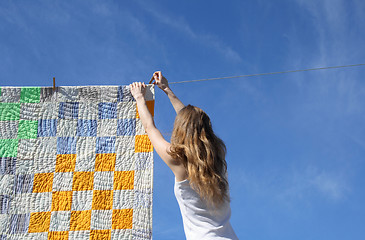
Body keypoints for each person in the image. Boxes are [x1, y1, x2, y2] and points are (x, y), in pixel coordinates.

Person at [130, 71, 238, 240]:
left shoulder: (178, 161)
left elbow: (150, 127)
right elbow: (194, 124)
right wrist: (167, 89)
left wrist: (139, 98)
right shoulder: (218, 158)